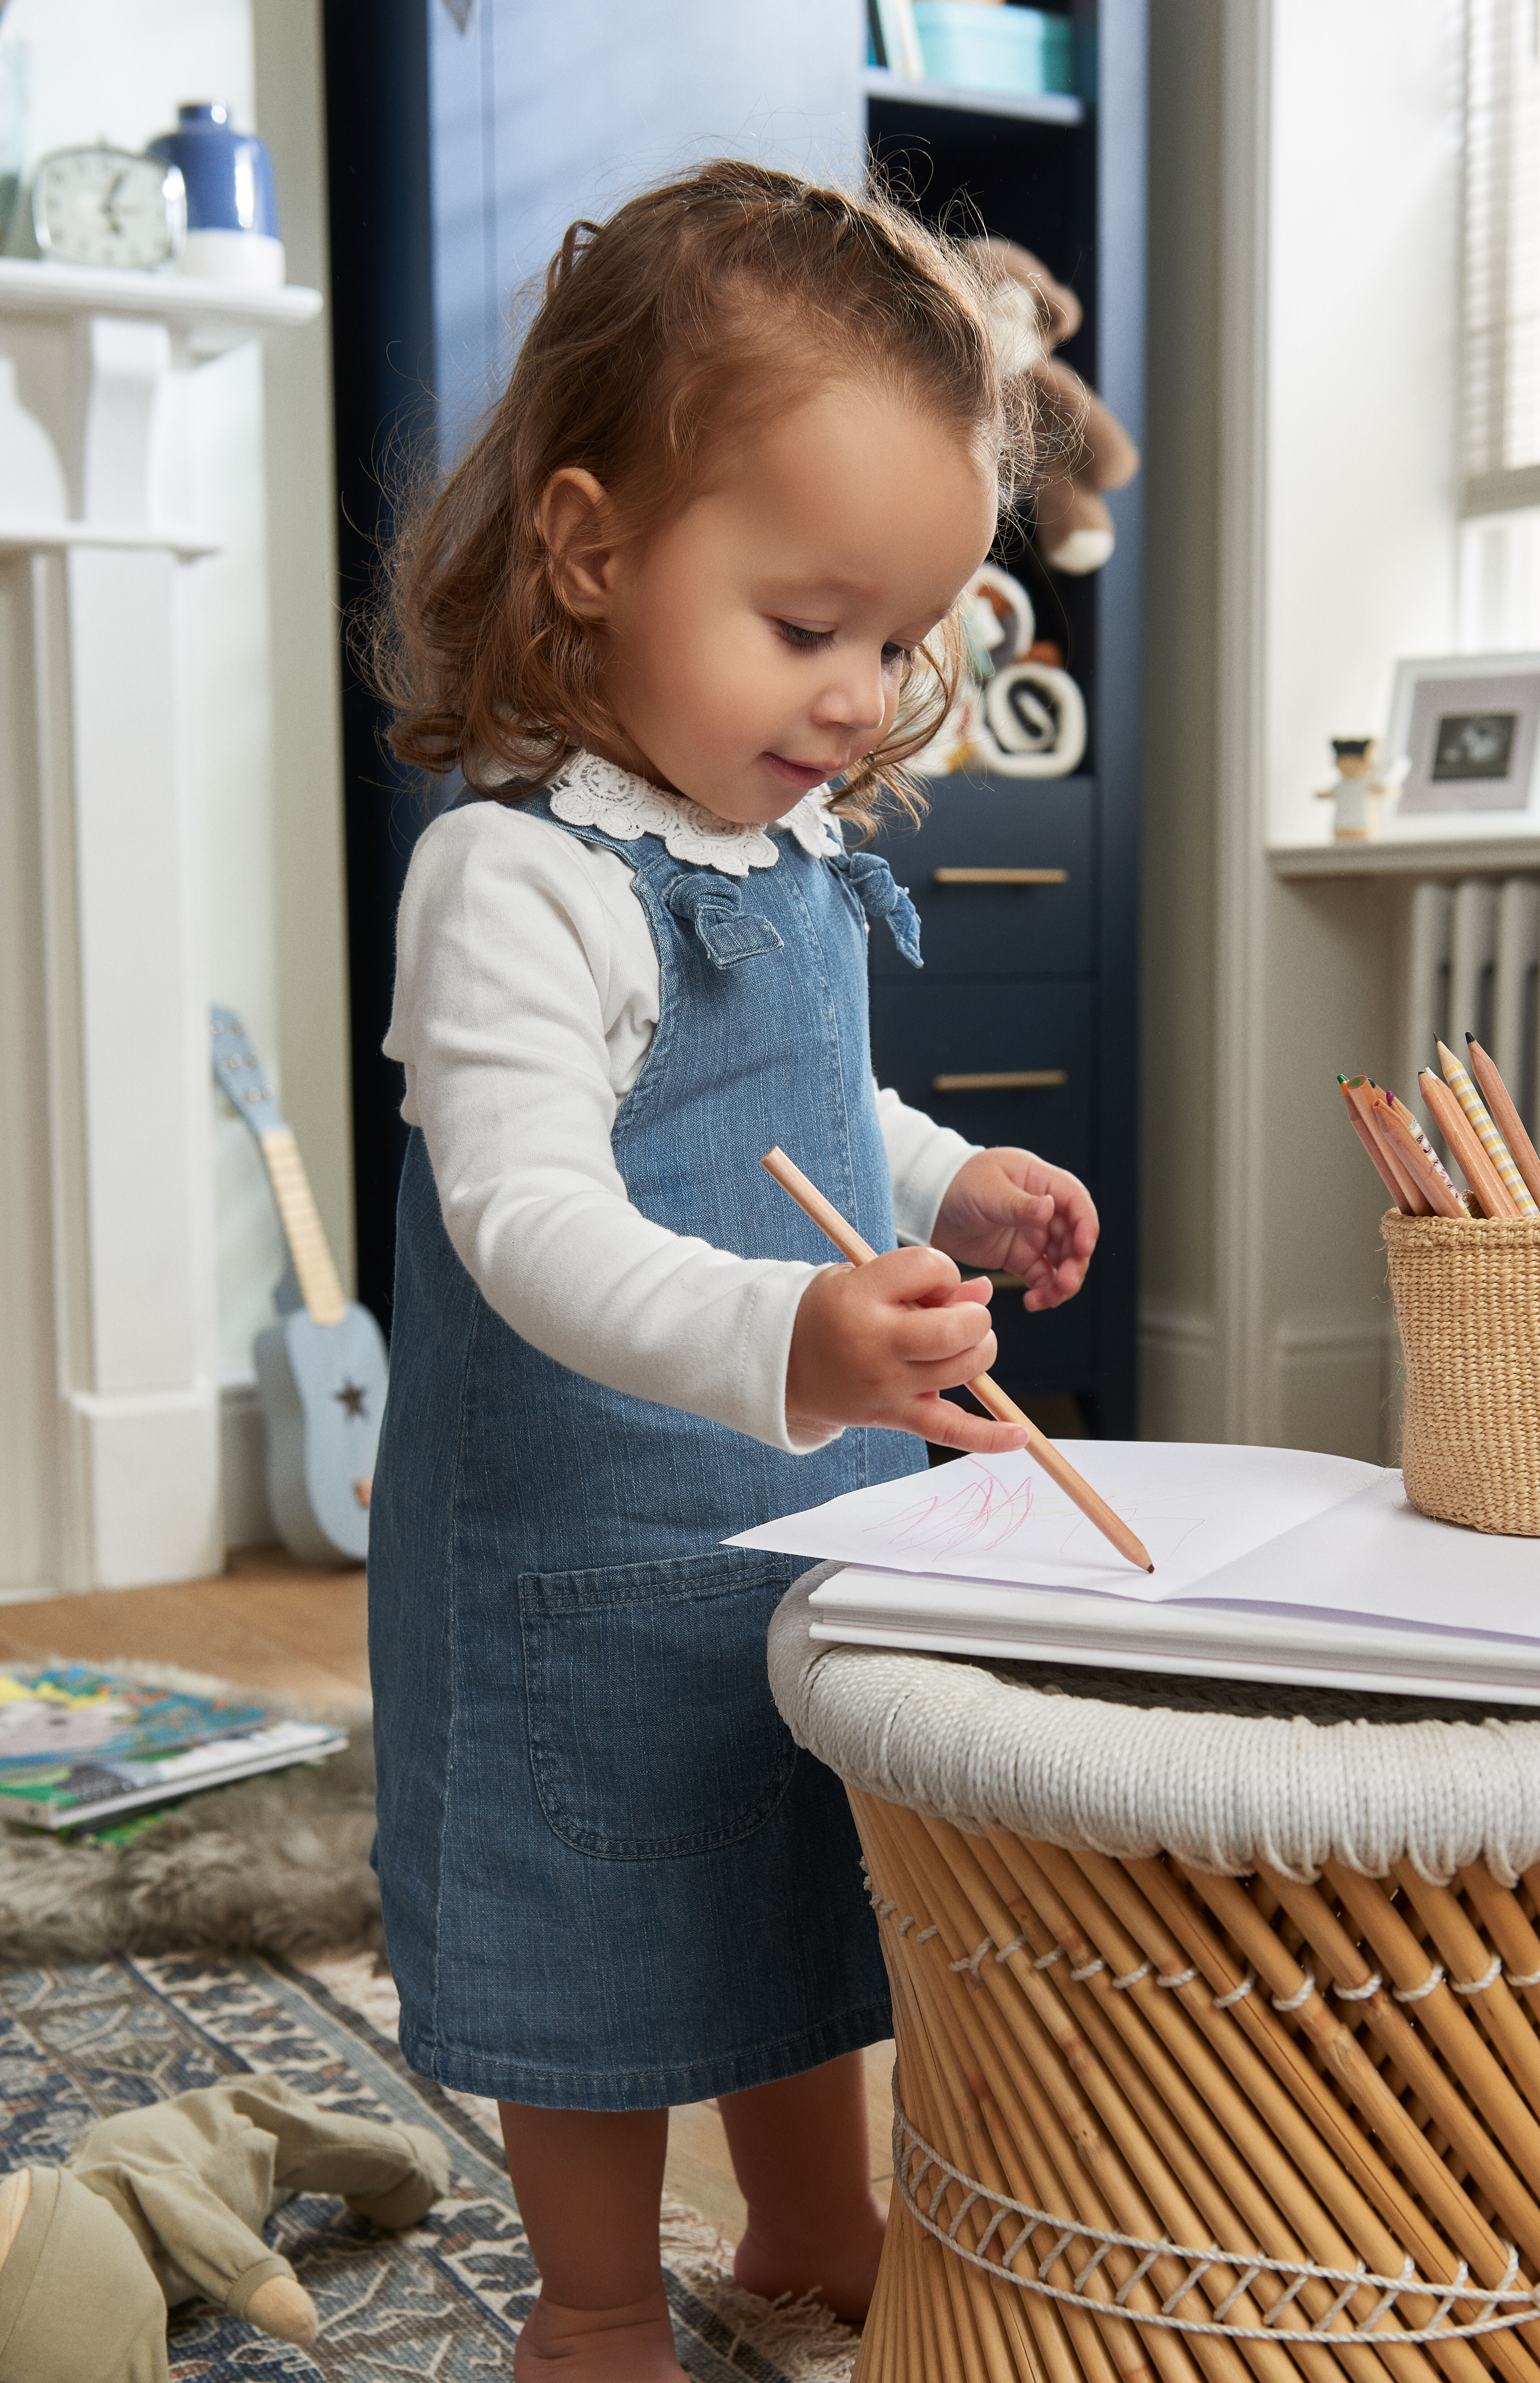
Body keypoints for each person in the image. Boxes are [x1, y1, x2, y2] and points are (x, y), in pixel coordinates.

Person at [368, 160, 1099, 2382]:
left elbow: (803, 1127)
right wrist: (790, 1327)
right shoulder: (519, 876)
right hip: (578, 1545)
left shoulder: (780, 854)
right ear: (591, 554)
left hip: (790, 1529)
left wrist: (946, 1177)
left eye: (902, 643)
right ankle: (592, 2306)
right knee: (594, 1936)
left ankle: (811, 2222)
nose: (862, 698)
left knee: (791, 1883)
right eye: (809, 631)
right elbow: (528, 1223)